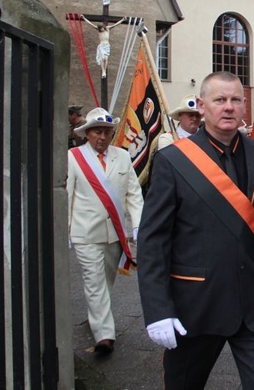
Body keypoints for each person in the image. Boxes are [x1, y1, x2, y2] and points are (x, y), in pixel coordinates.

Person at [137, 71, 254, 389]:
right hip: (195, 307)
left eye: (235, 100)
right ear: (201, 106)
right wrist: (157, 309)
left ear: (244, 106)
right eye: (219, 100)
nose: (228, 107)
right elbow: (153, 240)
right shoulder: (173, 161)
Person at [67, 107, 143, 354]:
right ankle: (105, 336)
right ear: (87, 134)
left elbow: (134, 193)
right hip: (85, 233)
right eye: (97, 132)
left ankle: (97, 317)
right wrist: (65, 233)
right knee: (94, 281)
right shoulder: (74, 157)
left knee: (106, 282)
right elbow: (67, 196)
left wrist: (138, 226)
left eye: (107, 132)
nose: (102, 137)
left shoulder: (121, 156)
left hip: (115, 234)